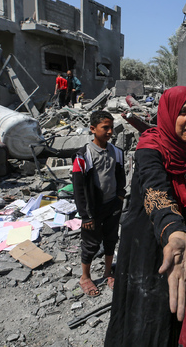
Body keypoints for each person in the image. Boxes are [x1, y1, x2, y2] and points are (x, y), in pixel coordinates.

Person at [105, 86, 186, 346]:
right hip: (147, 243)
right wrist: (174, 229)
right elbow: (156, 192)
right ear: (168, 113)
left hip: (180, 244)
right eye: (184, 111)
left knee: (173, 308)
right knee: (144, 312)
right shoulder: (150, 147)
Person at [72, 111, 125, 297]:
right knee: (91, 243)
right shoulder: (83, 156)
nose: (110, 131)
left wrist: (120, 196)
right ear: (93, 129)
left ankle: (108, 272)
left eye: (111, 127)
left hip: (112, 205)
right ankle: (85, 277)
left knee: (111, 239)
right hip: (93, 210)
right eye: (105, 128)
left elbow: (120, 177)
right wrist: (85, 215)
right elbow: (79, 189)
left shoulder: (117, 152)